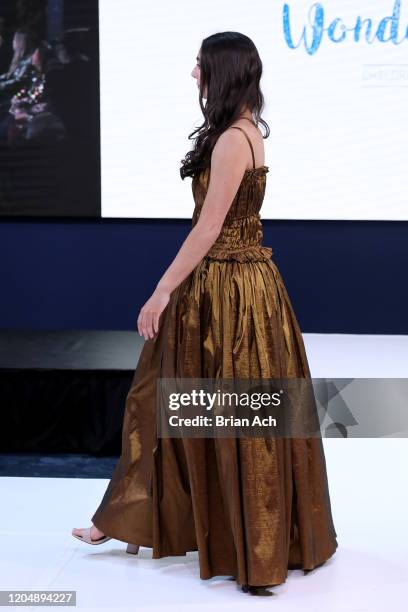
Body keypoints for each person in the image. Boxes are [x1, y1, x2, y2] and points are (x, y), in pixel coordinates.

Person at [72, 31, 338, 596]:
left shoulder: (232, 141)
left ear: (223, 71)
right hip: (241, 287)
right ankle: (138, 521)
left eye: (200, 66)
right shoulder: (244, 133)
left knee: (197, 406)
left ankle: (242, 544)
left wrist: (160, 291)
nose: (194, 74)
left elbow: (210, 227)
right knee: (195, 405)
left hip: (226, 291)